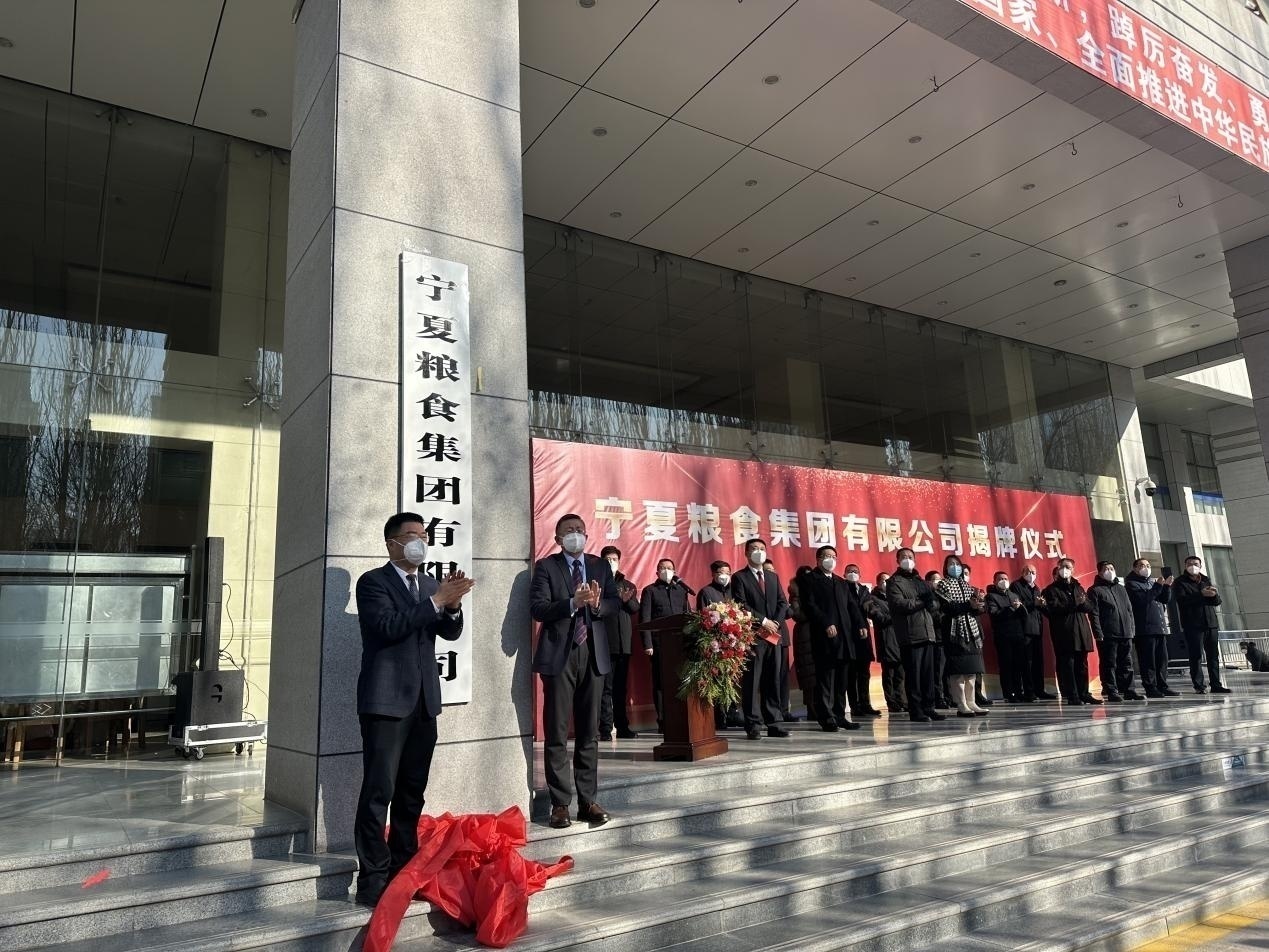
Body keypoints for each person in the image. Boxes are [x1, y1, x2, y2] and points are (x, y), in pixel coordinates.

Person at [353, 512, 473, 906]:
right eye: (412, 535)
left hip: (424, 702)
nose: (420, 541)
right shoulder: (373, 582)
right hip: (386, 702)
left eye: (424, 534)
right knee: (379, 791)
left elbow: (449, 632)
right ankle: (372, 878)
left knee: (411, 793)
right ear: (392, 543)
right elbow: (388, 626)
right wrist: (438, 600)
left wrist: (452, 606)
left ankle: (404, 871)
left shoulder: (430, 584)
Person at [530, 513, 618, 829]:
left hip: (593, 654)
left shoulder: (599, 566)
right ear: (558, 539)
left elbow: (613, 603)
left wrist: (595, 605)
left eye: (580, 529)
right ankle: (559, 804)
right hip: (560, 656)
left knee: (589, 733)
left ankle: (588, 801)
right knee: (556, 732)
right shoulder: (546, 567)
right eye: (569, 530)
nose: (575, 534)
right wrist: (572, 603)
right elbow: (538, 608)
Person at [730, 538, 790, 739]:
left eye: (762, 548)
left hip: (774, 635)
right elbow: (740, 604)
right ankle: (753, 725)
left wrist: (775, 623)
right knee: (752, 681)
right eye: (754, 548)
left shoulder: (772, 577)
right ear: (746, 553)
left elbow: (782, 602)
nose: (759, 552)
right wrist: (763, 621)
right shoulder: (740, 577)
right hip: (753, 636)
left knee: (773, 680)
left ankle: (774, 722)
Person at [802, 546, 864, 732]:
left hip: (844, 637)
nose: (831, 559)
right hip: (824, 636)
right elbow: (810, 605)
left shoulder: (840, 582)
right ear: (818, 559)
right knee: (825, 679)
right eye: (826, 556)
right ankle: (826, 717)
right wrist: (825, 623)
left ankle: (840, 715)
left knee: (842, 680)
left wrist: (860, 624)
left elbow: (852, 606)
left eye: (834, 556)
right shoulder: (810, 580)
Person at [887, 550, 947, 723]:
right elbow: (899, 604)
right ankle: (916, 710)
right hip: (910, 635)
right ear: (897, 560)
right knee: (914, 675)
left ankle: (929, 707)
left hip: (928, 633)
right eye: (904, 557)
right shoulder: (894, 582)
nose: (907, 560)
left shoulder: (921, 581)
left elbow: (932, 604)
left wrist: (934, 602)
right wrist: (922, 602)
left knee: (928, 675)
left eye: (910, 557)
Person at [640, 557, 691, 732]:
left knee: (681, 681)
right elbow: (645, 619)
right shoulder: (650, 591)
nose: (666, 570)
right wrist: (647, 644)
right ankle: (663, 720)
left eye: (669, 568)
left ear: (675, 572)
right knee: (661, 683)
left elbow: (687, 616)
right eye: (662, 568)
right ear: (657, 572)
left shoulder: (681, 590)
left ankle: (681, 717)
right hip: (659, 645)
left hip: (680, 645)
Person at [1040, 558, 1101, 705]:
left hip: (1081, 630)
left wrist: (1083, 603)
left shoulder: (1078, 587)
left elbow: (1090, 607)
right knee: (1068, 664)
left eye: (1068, 567)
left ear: (1073, 570)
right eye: (1062, 566)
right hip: (1064, 632)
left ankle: (1084, 693)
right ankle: (1072, 695)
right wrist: (1075, 603)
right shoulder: (1051, 590)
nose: (1064, 569)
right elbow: (1054, 609)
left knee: (1082, 664)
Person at [934, 556, 988, 717]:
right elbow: (948, 608)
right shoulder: (943, 585)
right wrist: (968, 605)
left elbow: (973, 609)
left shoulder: (966, 585)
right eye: (951, 564)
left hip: (971, 632)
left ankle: (972, 702)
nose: (955, 567)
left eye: (957, 564)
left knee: (971, 671)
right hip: (954, 632)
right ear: (946, 567)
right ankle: (961, 704)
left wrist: (979, 606)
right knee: (958, 671)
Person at [598, 546, 642, 739]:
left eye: (614, 559)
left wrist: (626, 599)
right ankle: (605, 729)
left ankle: (623, 727)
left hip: (624, 644)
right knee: (605, 689)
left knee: (620, 689)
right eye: (607, 559)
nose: (611, 562)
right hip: (605, 643)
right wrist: (615, 599)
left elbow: (635, 609)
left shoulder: (627, 584)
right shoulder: (597, 583)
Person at [1173, 555, 1231, 694]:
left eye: (1195, 564)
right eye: (1189, 564)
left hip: (1210, 623)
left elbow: (1216, 602)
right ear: (1185, 566)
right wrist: (1201, 594)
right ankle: (1199, 685)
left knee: (1213, 656)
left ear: (1200, 566)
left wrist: (1214, 595)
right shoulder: (1180, 582)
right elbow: (1182, 601)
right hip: (1193, 625)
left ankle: (1216, 685)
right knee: (1196, 655)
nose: (1193, 566)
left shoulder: (1205, 580)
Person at [1086, 561, 1143, 702]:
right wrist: (1098, 633)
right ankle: (1111, 690)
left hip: (1125, 632)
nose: (1110, 571)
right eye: (1106, 569)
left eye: (1112, 568)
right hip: (1108, 634)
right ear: (1100, 572)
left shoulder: (1121, 588)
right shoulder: (1095, 590)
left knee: (1127, 663)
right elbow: (1094, 614)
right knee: (1109, 663)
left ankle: (1129, 690)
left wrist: (1132, 629)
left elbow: (1129, 610)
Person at [1124, 559, 1179, 698]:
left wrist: (1166, 587)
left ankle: (1162, 685)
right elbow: (1143, 600)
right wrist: (1158, 586)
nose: (1146, 568)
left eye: (1148, 565)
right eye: (1142, 565)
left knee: (1162, 660)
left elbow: (1164, 599)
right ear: (1135, 568)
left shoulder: (1152, 582)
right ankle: (1150, 687)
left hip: (1159, 627)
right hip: (1144, 629)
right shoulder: (1131, 584)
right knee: (1148, 660)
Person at [699, 560, 744, 729]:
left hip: (735, 641)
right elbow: (703, 617)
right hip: (715, 643)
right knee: (717, 678)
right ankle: (719, 716)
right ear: (713, 574)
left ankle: (733, 712)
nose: (724, 576)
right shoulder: (706, 592)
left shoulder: (736, 590)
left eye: (727, 572)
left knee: (733, 677)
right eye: (720, 573)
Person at [841, 563, 880, 717]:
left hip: (863, 634)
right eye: (849, 571)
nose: (853, 573)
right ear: (844, 574)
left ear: (860, 575)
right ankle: (854, 705)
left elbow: (870, 608)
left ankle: (866, 704)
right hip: (849, 634)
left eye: (855, 571)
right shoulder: (841, 588)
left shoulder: (864, 590)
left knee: (864, 672)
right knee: (852, 673)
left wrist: (877, 615)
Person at [1011, 564, 1054, 700]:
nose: (1031, 574)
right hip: (1024, 629)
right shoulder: (1016, 586)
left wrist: (1043, 604)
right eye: (1028, 571)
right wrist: (1034, 604)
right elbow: (1018, 606)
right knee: (1026, 663)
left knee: (1038, 662)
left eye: (1033, 572)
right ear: (1022, 573)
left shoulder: (1036, 588)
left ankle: (1040, 690)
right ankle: (1029, 691)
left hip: (1037, 628)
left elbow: (1040, 607)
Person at [764, 558, 799, 723]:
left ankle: (784, 710)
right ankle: (772, 711)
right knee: (771, 676)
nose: (770, 573)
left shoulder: (776, 585)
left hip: (781, 635)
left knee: (783, 676)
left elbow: (787, 609)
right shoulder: (759, 588)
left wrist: (781, 614)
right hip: (765, 634)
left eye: (772, 570)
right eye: (767, 570)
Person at [864, 572, 905, 713]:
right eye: (883, 581)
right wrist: (897, 615)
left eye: (889, 581)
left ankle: (902, 701)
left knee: (900, 674)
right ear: (878, 583)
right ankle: (891, 702)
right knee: (889, 675)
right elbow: (879, 617)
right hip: (886, 640)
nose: (886, 583)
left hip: (900, 639)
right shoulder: (872, 598)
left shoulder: (896, 596)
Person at [985, 570, 1029, 703]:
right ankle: (1009, 693)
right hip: (1003, 636)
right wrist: (1011, 608)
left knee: (1018, 665)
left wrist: (1020, 607)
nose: (1003, 581)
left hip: (1018, 635)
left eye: (1005, 578)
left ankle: (1019, 691)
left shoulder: (1014, 595)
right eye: (1000, 579)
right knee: (1006, 665)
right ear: (994, 582)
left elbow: (1024, 614)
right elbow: (994, 613)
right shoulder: (991, 596)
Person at [788, 566, 818, 725]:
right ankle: (812, 709)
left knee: (820, 673)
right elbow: (797, 614)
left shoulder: (817, 590)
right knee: (808, 674)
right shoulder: (795, 593)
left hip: (819, 633)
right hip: (805, 634)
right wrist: (815, 612)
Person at [925, 570, 954, 709]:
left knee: (948, 671)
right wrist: (946, 616)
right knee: (938, 671)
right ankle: (939, 697)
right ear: (928, 582)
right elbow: (933, 616)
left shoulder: (944, 595)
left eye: (939, 579)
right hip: (937, 638)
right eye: (934, 579)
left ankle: (950, 697)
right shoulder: (928, 597)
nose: (938, 581)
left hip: (948, 638)